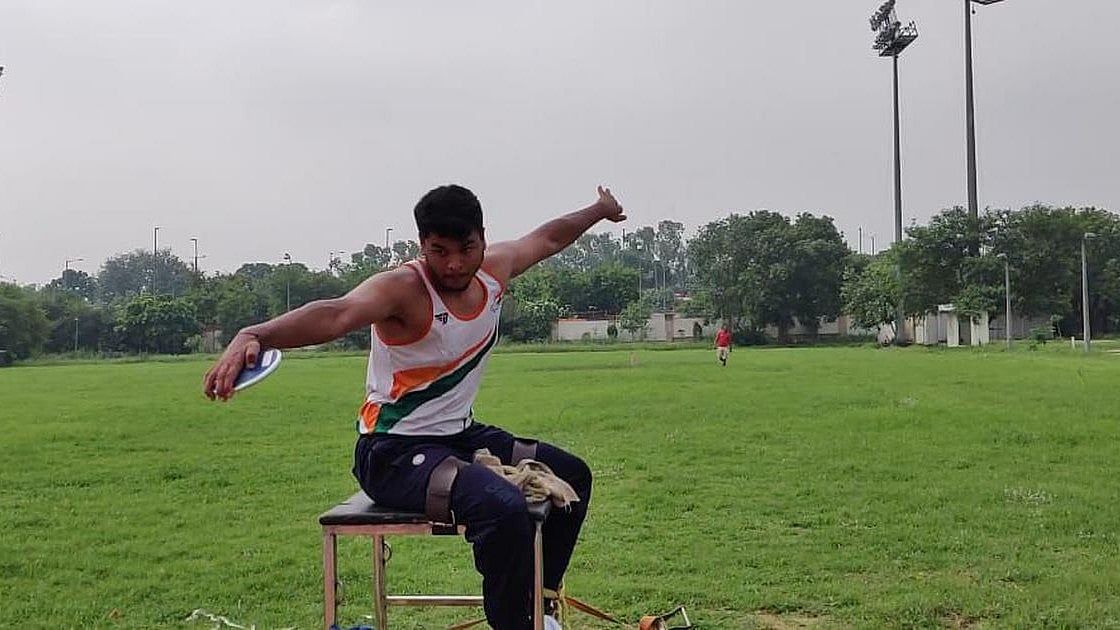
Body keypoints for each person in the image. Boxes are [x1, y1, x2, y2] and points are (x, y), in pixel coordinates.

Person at [203, 184, 626, 630]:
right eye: (439, 251)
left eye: (466, 249)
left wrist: (599, 209)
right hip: (392, 454)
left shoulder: (493, 271)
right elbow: (336, 313)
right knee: (502, 507)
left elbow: (549, 238)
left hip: (459, 437)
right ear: (422, 245)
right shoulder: (403, 288)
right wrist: (255, 334)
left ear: (483, 238)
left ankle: (538, 605)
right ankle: (516, 623)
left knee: (571, 474)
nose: (454, 264)